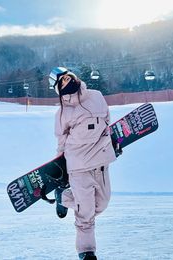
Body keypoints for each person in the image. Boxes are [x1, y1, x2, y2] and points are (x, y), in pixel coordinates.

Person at [49, 67, 116, 260]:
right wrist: (60, 163)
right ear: (58, 89)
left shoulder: (96, 95)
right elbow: (61, 141)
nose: (66, 81)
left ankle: (62, 197)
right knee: (85, 215)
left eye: (68, 77)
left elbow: (106, 121)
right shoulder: (61, 113)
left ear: (74, 76)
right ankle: (86, 252)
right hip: (78, 167)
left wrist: (108, 143)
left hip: (101, 162)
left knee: (101, 205)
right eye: (61, 81)